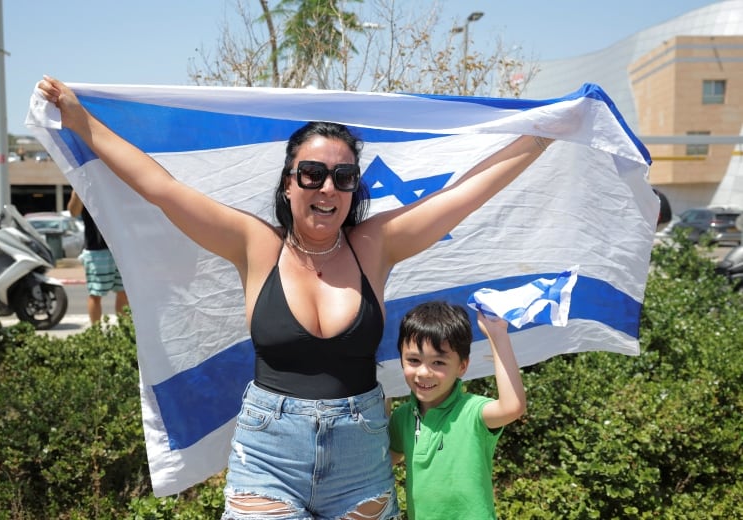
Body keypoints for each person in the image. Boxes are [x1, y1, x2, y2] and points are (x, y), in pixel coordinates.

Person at [37, 75, 552, 520]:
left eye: (343, 177)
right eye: (312, 173)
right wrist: (82, 122)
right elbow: (161, 187)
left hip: (360, 457)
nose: (327, 188)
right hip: (269, 456)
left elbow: (466, 192)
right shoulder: (255, 244)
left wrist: (546, 133)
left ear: (355, 189)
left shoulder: (375, 244)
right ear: (288, 183)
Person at [388, 301, 527, 519]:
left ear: (462, 366)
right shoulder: (402, 417)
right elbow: (379, 466)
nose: (424, 372)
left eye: (439, 363)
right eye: (414, 360)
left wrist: (498, 335)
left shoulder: (472, 411)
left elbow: (513, 406)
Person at [67, 190, 128, 323]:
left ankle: (125, 330)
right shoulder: (84, 185)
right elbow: (73, 212)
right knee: (95, 294)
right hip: (96, 249)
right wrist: (77, 191)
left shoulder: (111, 183)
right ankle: (96, 332)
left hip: (120, 249)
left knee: (124, 291)